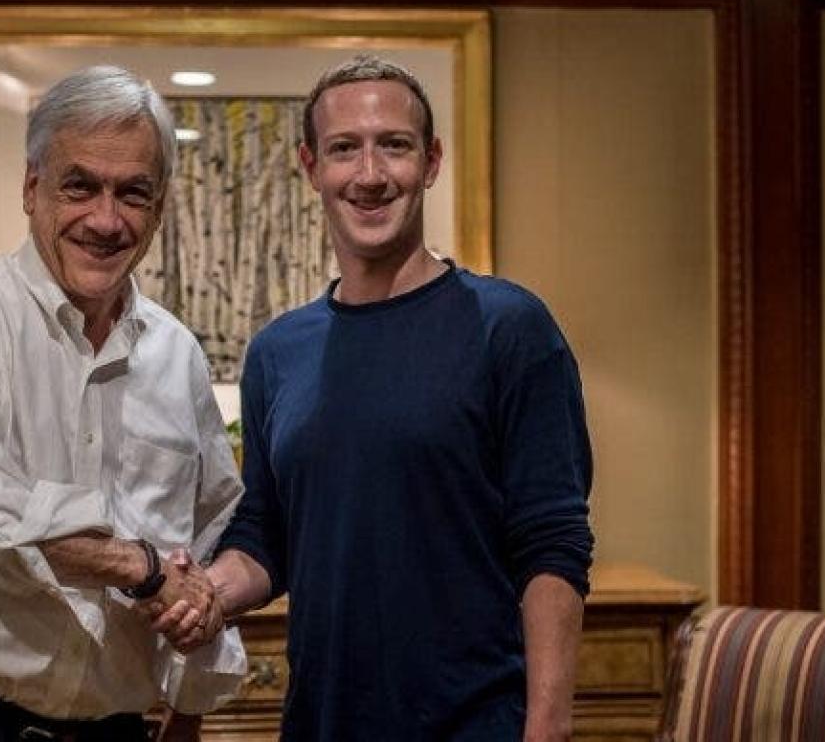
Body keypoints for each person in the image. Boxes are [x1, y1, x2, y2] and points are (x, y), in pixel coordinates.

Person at [157, 55, 595, 741]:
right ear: (310, 167)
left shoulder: (510, 328)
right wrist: (205, 594)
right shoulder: (277, 352)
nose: (369, 174)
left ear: (431, 161)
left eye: (394, 145)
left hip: (477, 723)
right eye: (343, 149)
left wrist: (547, 727)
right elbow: (267, 537)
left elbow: (553, 541)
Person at [0, 65, 247, 742]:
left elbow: (209, 535)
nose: (106, 219)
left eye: (134, 193)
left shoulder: (178, 355)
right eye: (80, 186)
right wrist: (139, 567)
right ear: (31, 188)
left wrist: (188, 707)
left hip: (112, 729)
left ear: (159, 209)